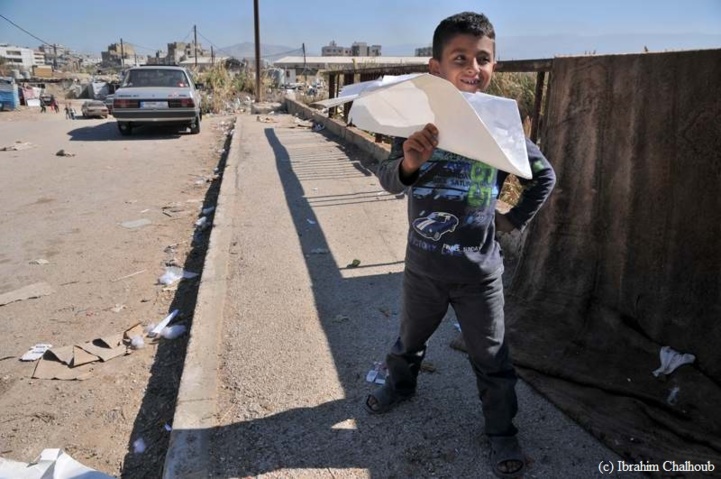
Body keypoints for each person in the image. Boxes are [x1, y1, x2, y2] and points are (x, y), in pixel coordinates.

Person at [366, 11, 556, 479]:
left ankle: (501, 431)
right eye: (460, 58)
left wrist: (511, 220)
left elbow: (543, 176)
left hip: (479, 275)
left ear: (494, 65)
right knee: (409, 340)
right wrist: (409, 163)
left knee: (492, 357)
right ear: (435, 67)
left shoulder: (500, 126)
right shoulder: (414, 122)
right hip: (423, 270)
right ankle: (401, 385)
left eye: (483, 58)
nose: (473, 67)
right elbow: (389, 179)